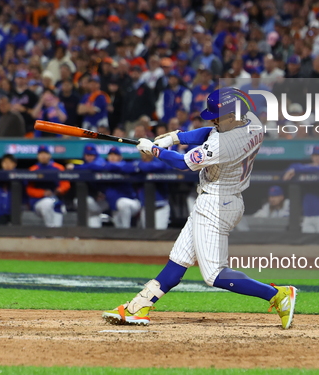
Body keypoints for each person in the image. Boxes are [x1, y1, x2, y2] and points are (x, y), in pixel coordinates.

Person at [102, 87, 296, 329]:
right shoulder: (250, 121)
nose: (213, 119)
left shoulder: (227, 144)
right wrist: (175, 137)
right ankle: (139, 306)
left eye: (218, 115)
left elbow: (184, 163)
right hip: (220, 199)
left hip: (216, 204)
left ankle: (278, 295)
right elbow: (210, 132)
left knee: (214, 274)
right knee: (178, 260)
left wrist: (155, 150)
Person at [283, 145, 319, 233]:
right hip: (308, 213)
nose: (317, 158)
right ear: (312, 157)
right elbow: (292, 166)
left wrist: (296, 169)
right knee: (308, 244)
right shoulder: (305, 168)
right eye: (315, 155)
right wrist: (292, 169)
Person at [26, 145, 70, 227]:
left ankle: (54, 235)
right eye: (41, 154)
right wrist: (43, 193)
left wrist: (60, 189)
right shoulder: (33, 169)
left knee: (58, 232)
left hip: (56, 201)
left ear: (49, 155)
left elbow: (65, 184)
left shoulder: (58, 167)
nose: (43, 156)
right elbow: (29, 190)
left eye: (45, 153)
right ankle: (50, 230)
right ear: (37, 156)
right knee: (47, 203)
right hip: (38, 202)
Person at [102, 146, 142, 229]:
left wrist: (113, 167)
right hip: (114, 207)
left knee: (122, 203)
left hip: (131, 203)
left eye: (115, 155)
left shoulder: (126, 165)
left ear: (120, 157)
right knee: (118, 229)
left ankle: (127, 230)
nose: (112, 157)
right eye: (110, 155)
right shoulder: (104, 167)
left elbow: (131, 168)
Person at [70, 144, 107, 228]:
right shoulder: (83, 165)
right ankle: (87, 234)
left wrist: (75, 167)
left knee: (85, 203)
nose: (89, 157)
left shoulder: (100, 161)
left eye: (91, 155)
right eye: (87, 155)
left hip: (105, 199)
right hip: (93, 199)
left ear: (95, 155)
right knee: (90, 213)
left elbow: (95, 166)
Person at [134, 152, 171, 230]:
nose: (145, 156)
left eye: (147, 153)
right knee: (147, 235)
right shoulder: (138, 162)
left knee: (160, 235)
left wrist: (140, 166)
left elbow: (160, 166)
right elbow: (127, 167)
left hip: (161, 207)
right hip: (146, 208)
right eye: (143, 153)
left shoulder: (160, 163)